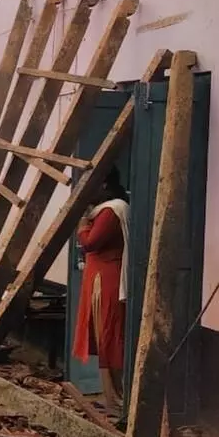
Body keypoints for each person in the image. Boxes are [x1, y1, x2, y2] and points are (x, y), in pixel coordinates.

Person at [72, 167, 130, 413]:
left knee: (110, 338)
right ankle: (111, 398)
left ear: (104, 184)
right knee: (105, 338)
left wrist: (82, 226)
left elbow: (90, 243)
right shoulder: (109, 209)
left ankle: (117, 400)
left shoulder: (110, 211)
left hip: (105, 282)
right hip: (101, 278)